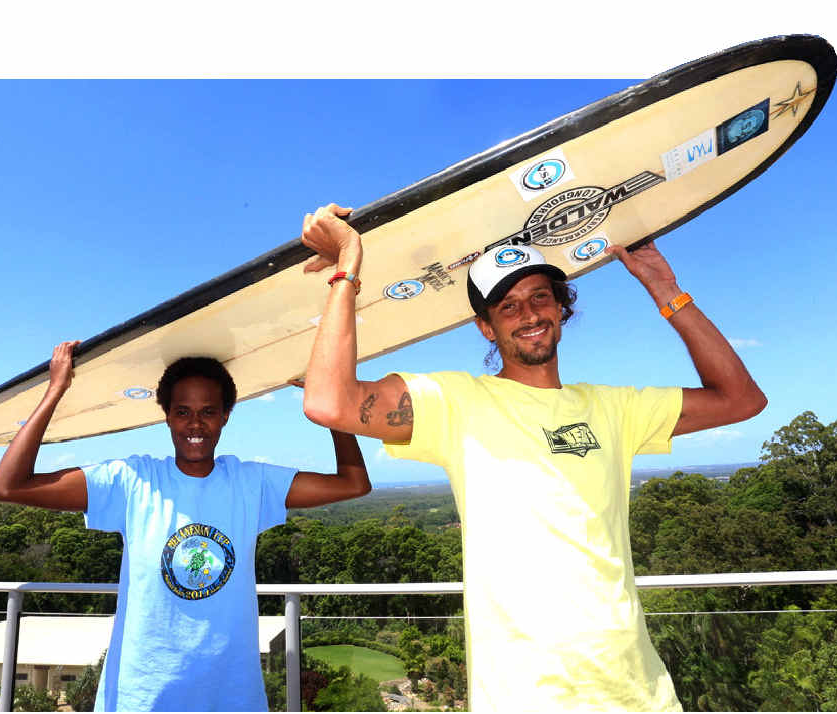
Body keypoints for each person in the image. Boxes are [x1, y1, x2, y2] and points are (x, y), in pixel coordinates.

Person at [298, 203, 767, 711]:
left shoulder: (615, 408)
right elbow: (329, 403)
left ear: (560, 307)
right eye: (508, 306)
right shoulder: (456, 403)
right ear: (486, 327)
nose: (528, 314)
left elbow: (741, 399)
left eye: (540, 296)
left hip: (638, 693)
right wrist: (348, 263)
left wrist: (664, 288)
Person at [0, 342, 370, 712]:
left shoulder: (251, 483)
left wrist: (330, 407)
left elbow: (353, 484)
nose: (195, 424)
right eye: (182, 411)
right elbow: (6, 486)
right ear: (166, 415)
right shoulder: (132, 481)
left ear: (226, 415)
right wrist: (55, 390)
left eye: (208, 411)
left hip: (230, 695)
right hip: (143, 695)